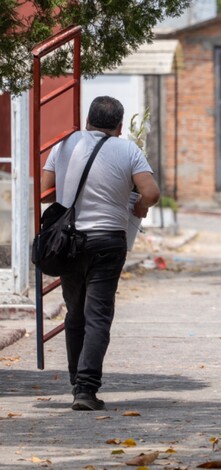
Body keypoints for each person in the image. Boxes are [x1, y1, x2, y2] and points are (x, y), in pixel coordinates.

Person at [41, 96, 160, 411]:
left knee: (75, 313)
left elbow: (44, 187)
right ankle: (86, 388)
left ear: (88, 120)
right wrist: (136, 206)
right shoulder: (127, 149)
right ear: (119, 126)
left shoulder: (64, 145)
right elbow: (151, 193)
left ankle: (75, 381)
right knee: (98, 315)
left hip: (69, 241)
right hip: (108, 241)